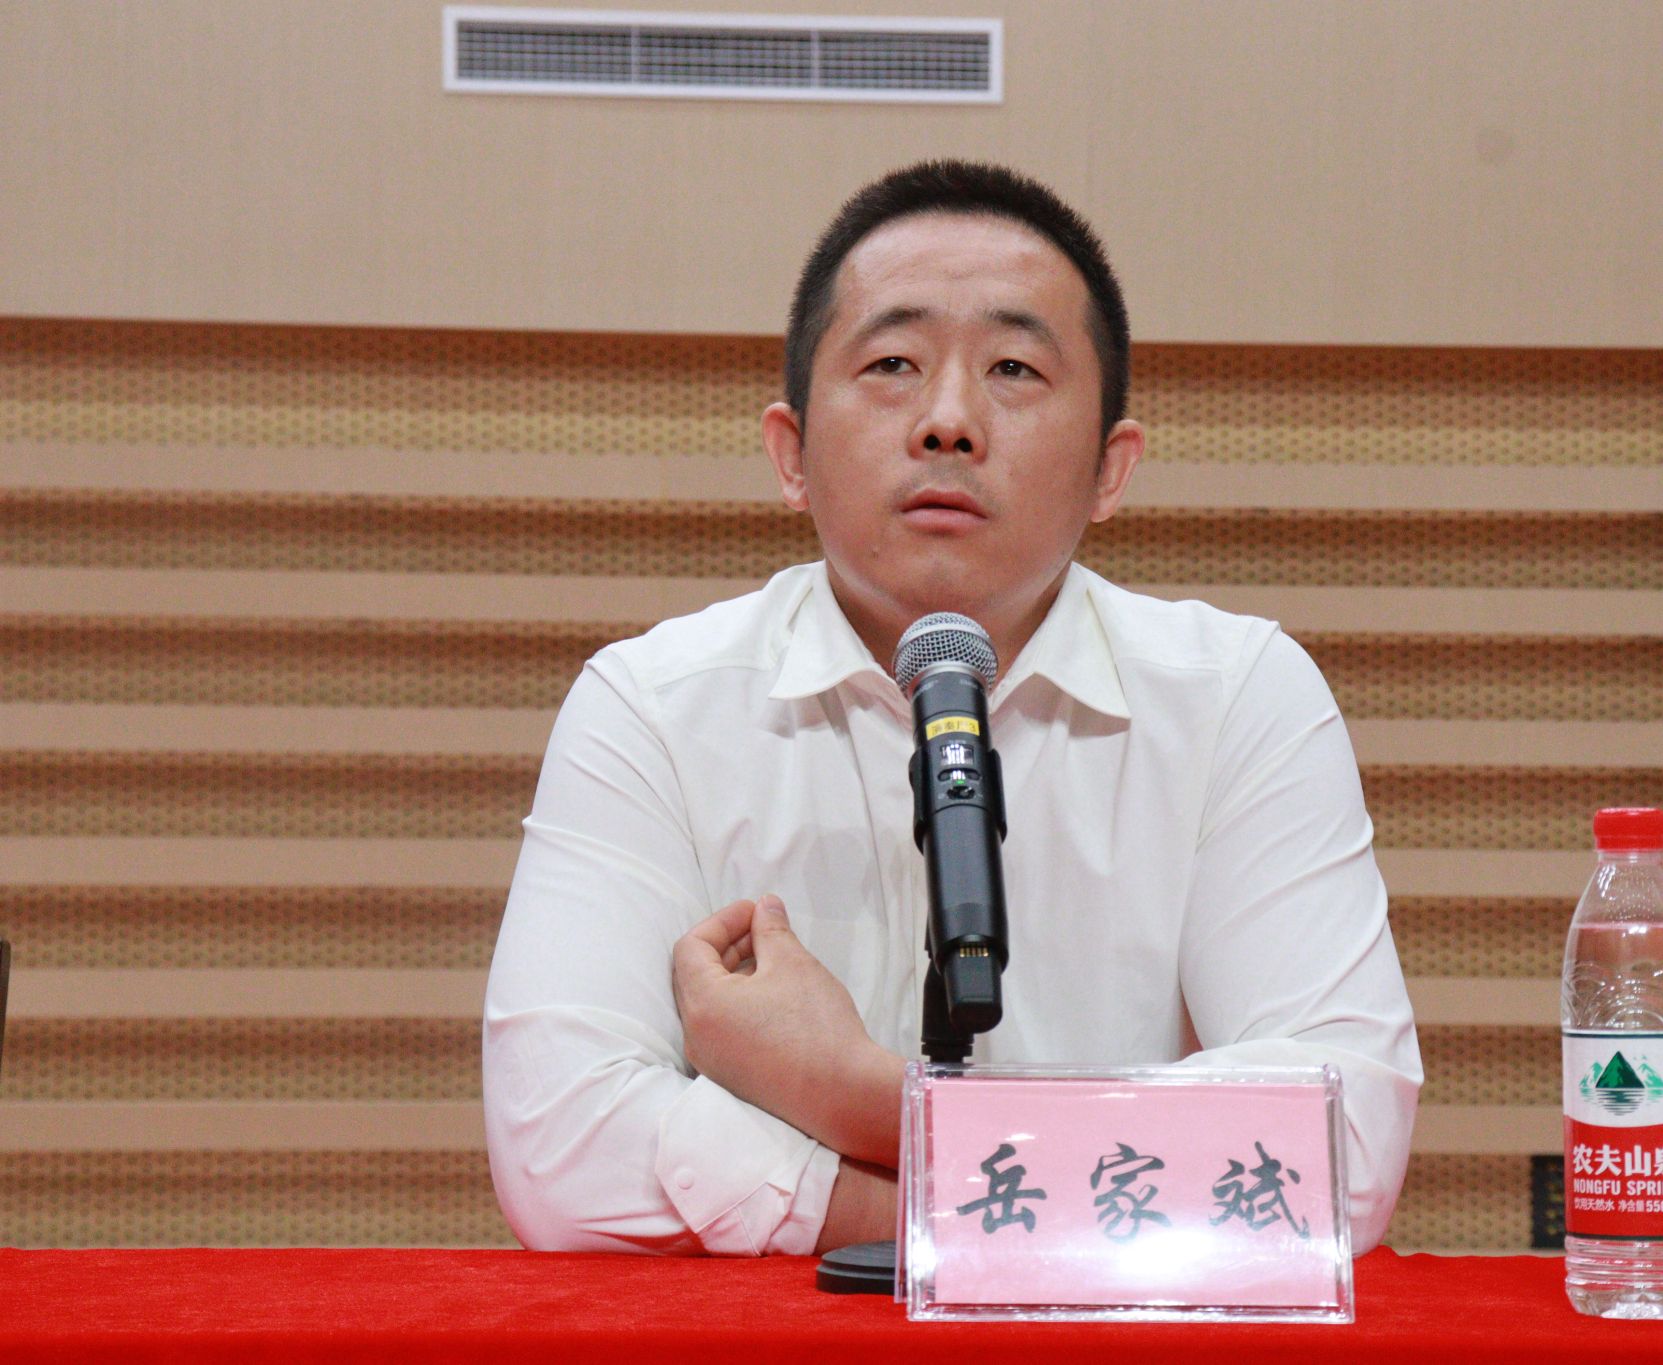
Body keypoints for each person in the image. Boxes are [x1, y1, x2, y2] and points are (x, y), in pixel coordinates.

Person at [483, 160, 1421, 1257]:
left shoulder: (1235, 696)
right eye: (892, 363)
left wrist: (846, 1089)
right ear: (790, 453)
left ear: (1110, 469)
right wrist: (988, 1212)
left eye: (1014, 368)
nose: (948, 421)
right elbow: (561, 1149)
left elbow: (1341, 1145)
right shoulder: (652, 705)